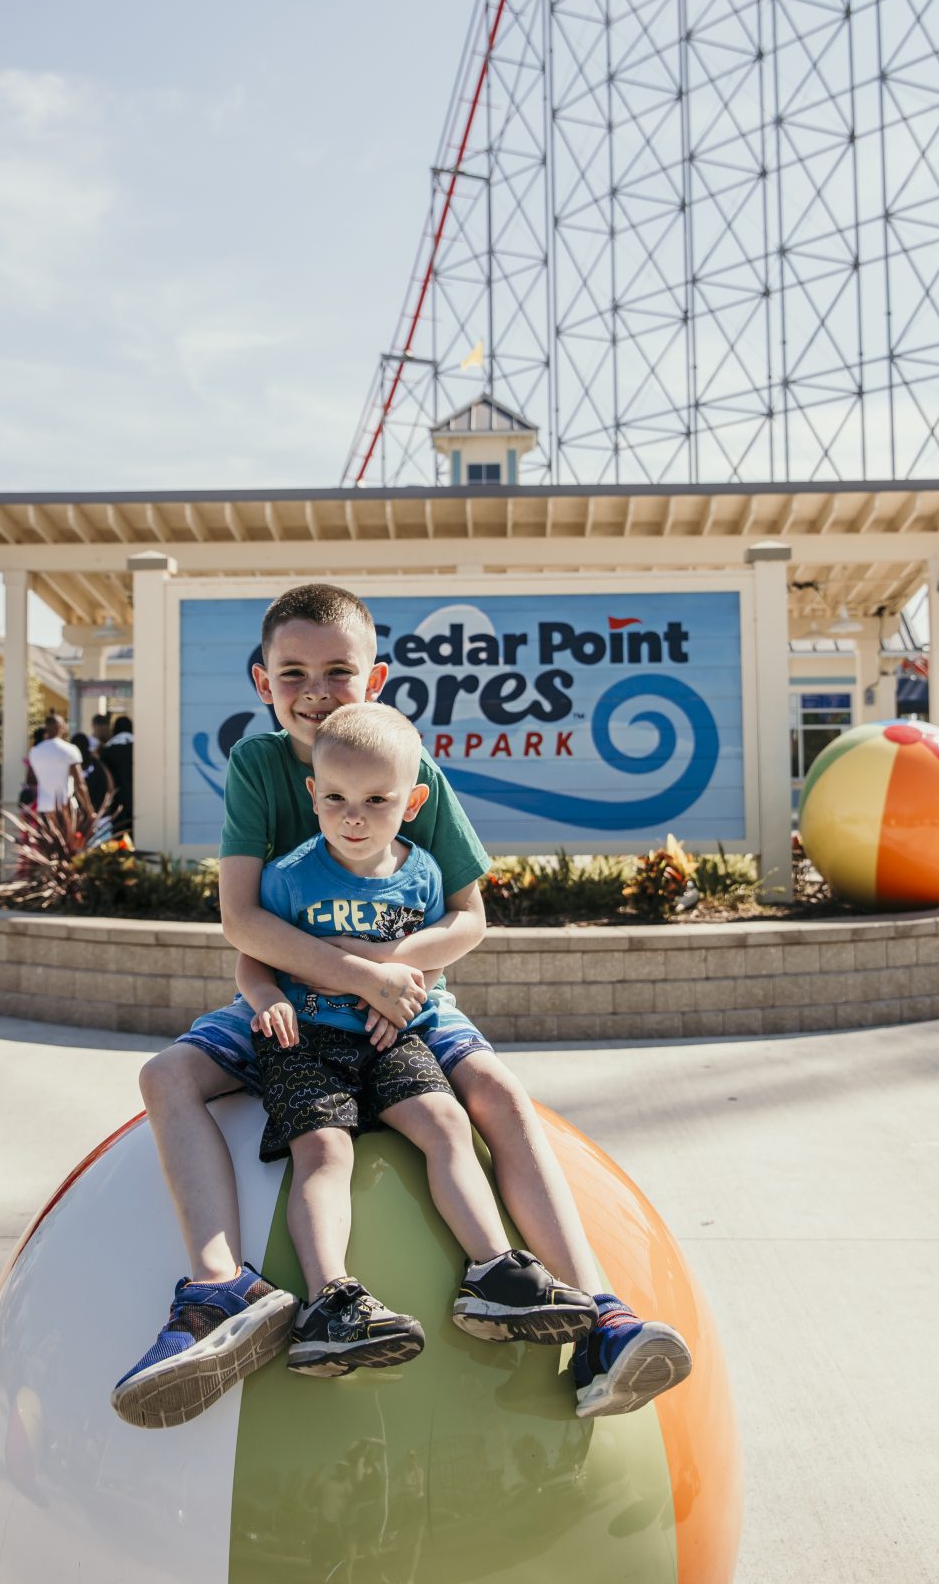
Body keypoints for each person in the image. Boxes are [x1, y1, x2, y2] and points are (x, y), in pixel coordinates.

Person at [112, 583, 692, 1428]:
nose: (315, 688)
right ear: (261, 681)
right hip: (292, 996)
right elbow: (242, 918)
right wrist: (351, 978)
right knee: (167, 1076)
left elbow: (469, 916)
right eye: (292, 672)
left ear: (374, 678)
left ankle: (601, 1313)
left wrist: (390, 972)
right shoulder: (257, 767)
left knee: (496, 1095)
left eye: (338, 670)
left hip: (408, 994)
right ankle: (219, 1288)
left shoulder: (411, 768)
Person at [240, 702, 588, 1375]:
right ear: (312, 794)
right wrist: (262, 1001)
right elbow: (253, 956)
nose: (354, 816)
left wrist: (402, 990)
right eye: (335, 797)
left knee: (446, 1123)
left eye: (377, 800)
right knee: (323, 1148)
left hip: (388, 1035)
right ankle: (328, 1300)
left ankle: (492, 1272)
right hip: (307, 1039)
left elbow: (430, 960)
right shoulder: (287, 875)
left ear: (413, 799)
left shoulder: (424, 874)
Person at [26, 715, 91, 819]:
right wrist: (89, 809)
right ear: (60, 728)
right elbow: (80, 784)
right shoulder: (70, 750)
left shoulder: (35, 751)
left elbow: (31, 780)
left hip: (44, 808)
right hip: (66, 807)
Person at [100, 714, 134, 835]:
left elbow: (105, 777)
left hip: (117, 799)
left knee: (119, 834)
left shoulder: (107, 749)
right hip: (137, 798)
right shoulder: (139, 746)